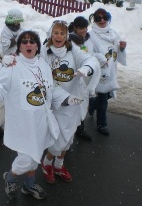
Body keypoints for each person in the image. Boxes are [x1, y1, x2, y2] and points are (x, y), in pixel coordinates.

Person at [0, 30, 81, 200]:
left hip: (40, 121)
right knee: (27, 157)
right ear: (20, 46)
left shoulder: (43, 65)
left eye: (32, 41)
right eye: (24, 42)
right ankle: (11, 177)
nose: (28, 44)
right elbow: (0, 86)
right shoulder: (13, 66)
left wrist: (68, 98)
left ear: (37, 46)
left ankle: (29, 185)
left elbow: (50, 90)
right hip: (22, 122)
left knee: (36, 153)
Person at [41, 20, 100, 184]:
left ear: (66, 35)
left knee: (68, 137)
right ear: (50, 34)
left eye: (62, 33)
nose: (59, 36)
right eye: (55, 33)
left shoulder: (73, 50)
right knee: (58, 137)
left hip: (73, 101)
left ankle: (59, 165)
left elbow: (91, 60)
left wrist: (85, 69)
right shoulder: (44, 52)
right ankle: (47, 163)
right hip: (54, 103)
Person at [88, 8, 127, 136]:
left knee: (108, 93)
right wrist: (100, 59)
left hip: (111, 68)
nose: (102, 20)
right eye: (98, 18)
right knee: (103, 96)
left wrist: (121, 47)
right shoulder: (91, 35)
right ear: (94, 19)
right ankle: (102, 124)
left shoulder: (112, 32)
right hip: (100, 70)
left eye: (104, 17)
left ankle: (92, 104)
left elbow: (116, 47)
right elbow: (89, 52)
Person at [68, 16, 95, 141]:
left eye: (85, 27)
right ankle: (69, 133)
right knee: (74, 103)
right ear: (75, 28)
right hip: (74, 75)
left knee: (83, 102)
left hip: (85, 75)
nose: (84, 30)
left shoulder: (87, 39)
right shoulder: (70, 41)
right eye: (81, 28)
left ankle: (80, 128)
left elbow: (91, 54)